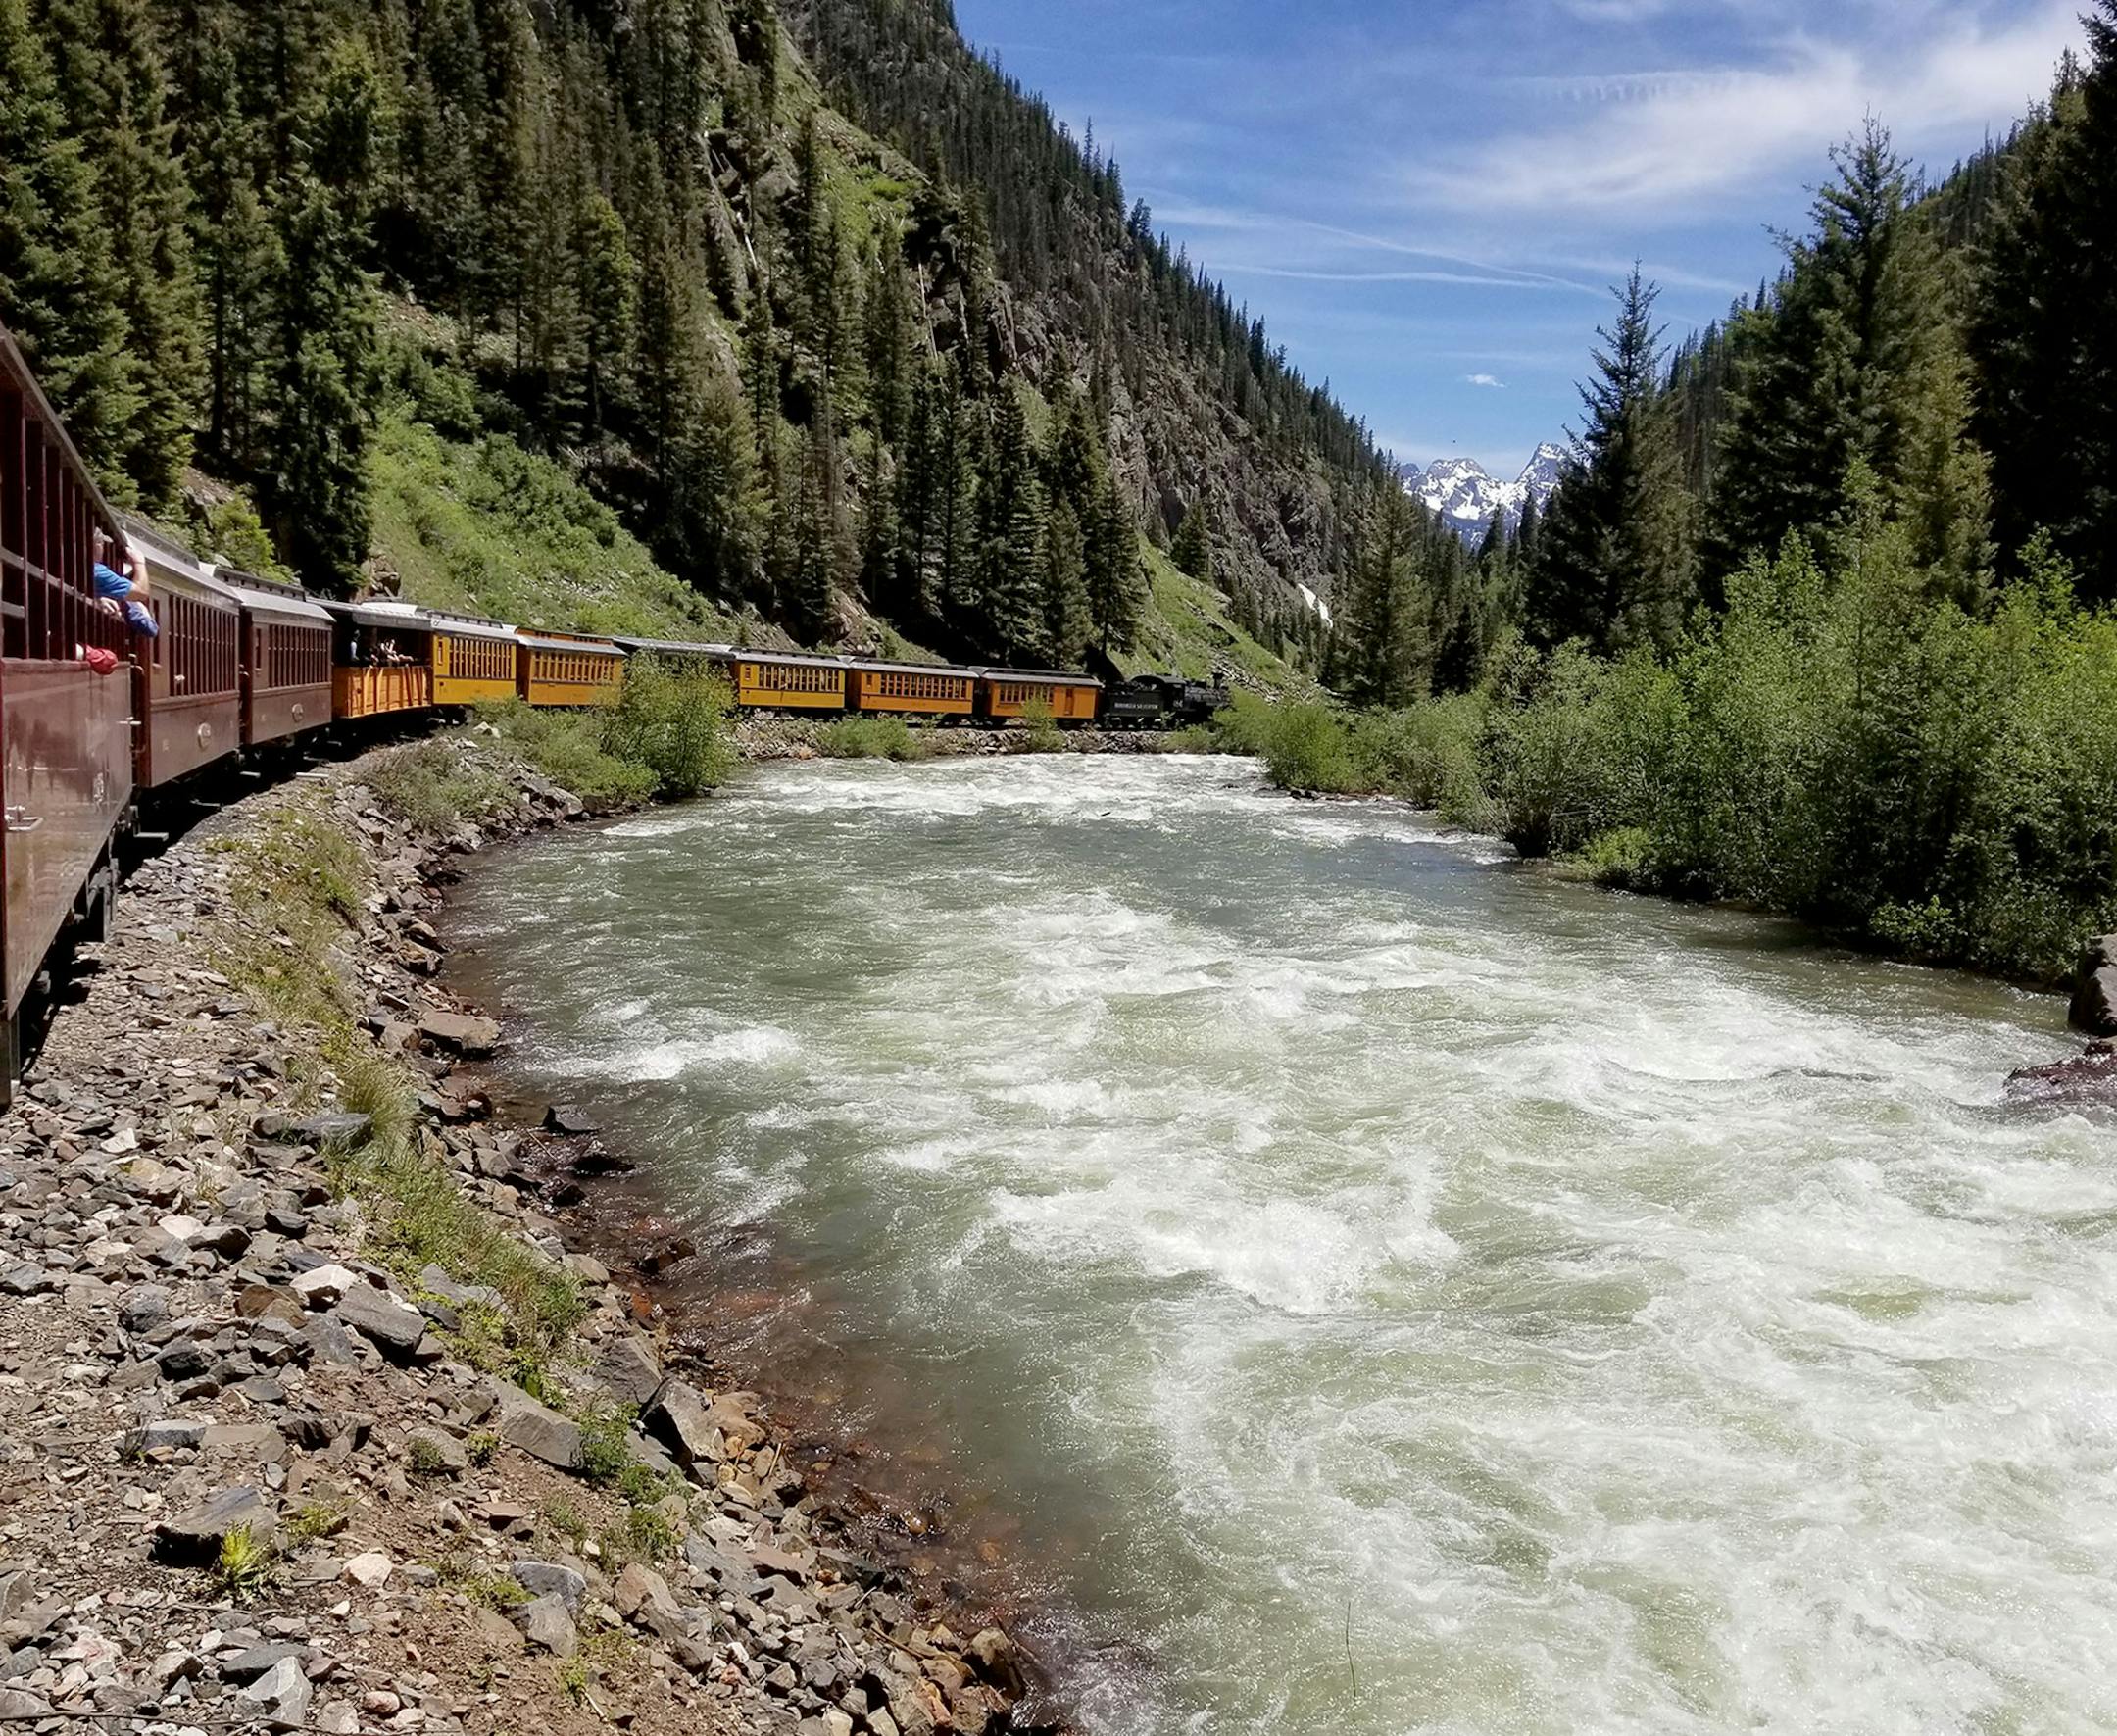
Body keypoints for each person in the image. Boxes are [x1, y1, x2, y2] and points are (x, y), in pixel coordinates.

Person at [91, 536, 158, 638]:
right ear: (97, 545)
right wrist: (139, 562)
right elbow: (141, 593)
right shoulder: (98, 571)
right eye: (102, 544)